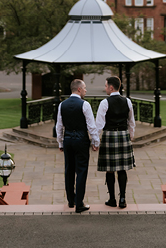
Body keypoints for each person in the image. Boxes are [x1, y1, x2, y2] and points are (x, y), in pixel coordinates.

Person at [55, 78, 99, 213]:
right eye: (84, 88)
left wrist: (60, 142)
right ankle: (79, 203)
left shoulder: (62, 105)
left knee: (69, 170)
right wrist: (95, 141)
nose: (86, 90)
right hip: (81, 140)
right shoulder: (85, 105)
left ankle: (70, 200)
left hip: (68, 140)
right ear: (79, 89)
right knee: (81, 171)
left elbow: (59, 126)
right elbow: (91, 126)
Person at [95, 76, 136, 209]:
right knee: (122, 169)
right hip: (123, 135)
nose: (105, 88)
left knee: (110, 170)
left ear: (111, 87)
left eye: (106, 86)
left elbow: (99, 124)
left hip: (109, 136)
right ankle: (122, 199)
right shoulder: (127, 101)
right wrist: (131, 135)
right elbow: (131, 121)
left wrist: (95, 140)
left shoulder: (104, 103)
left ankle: (112, 199)